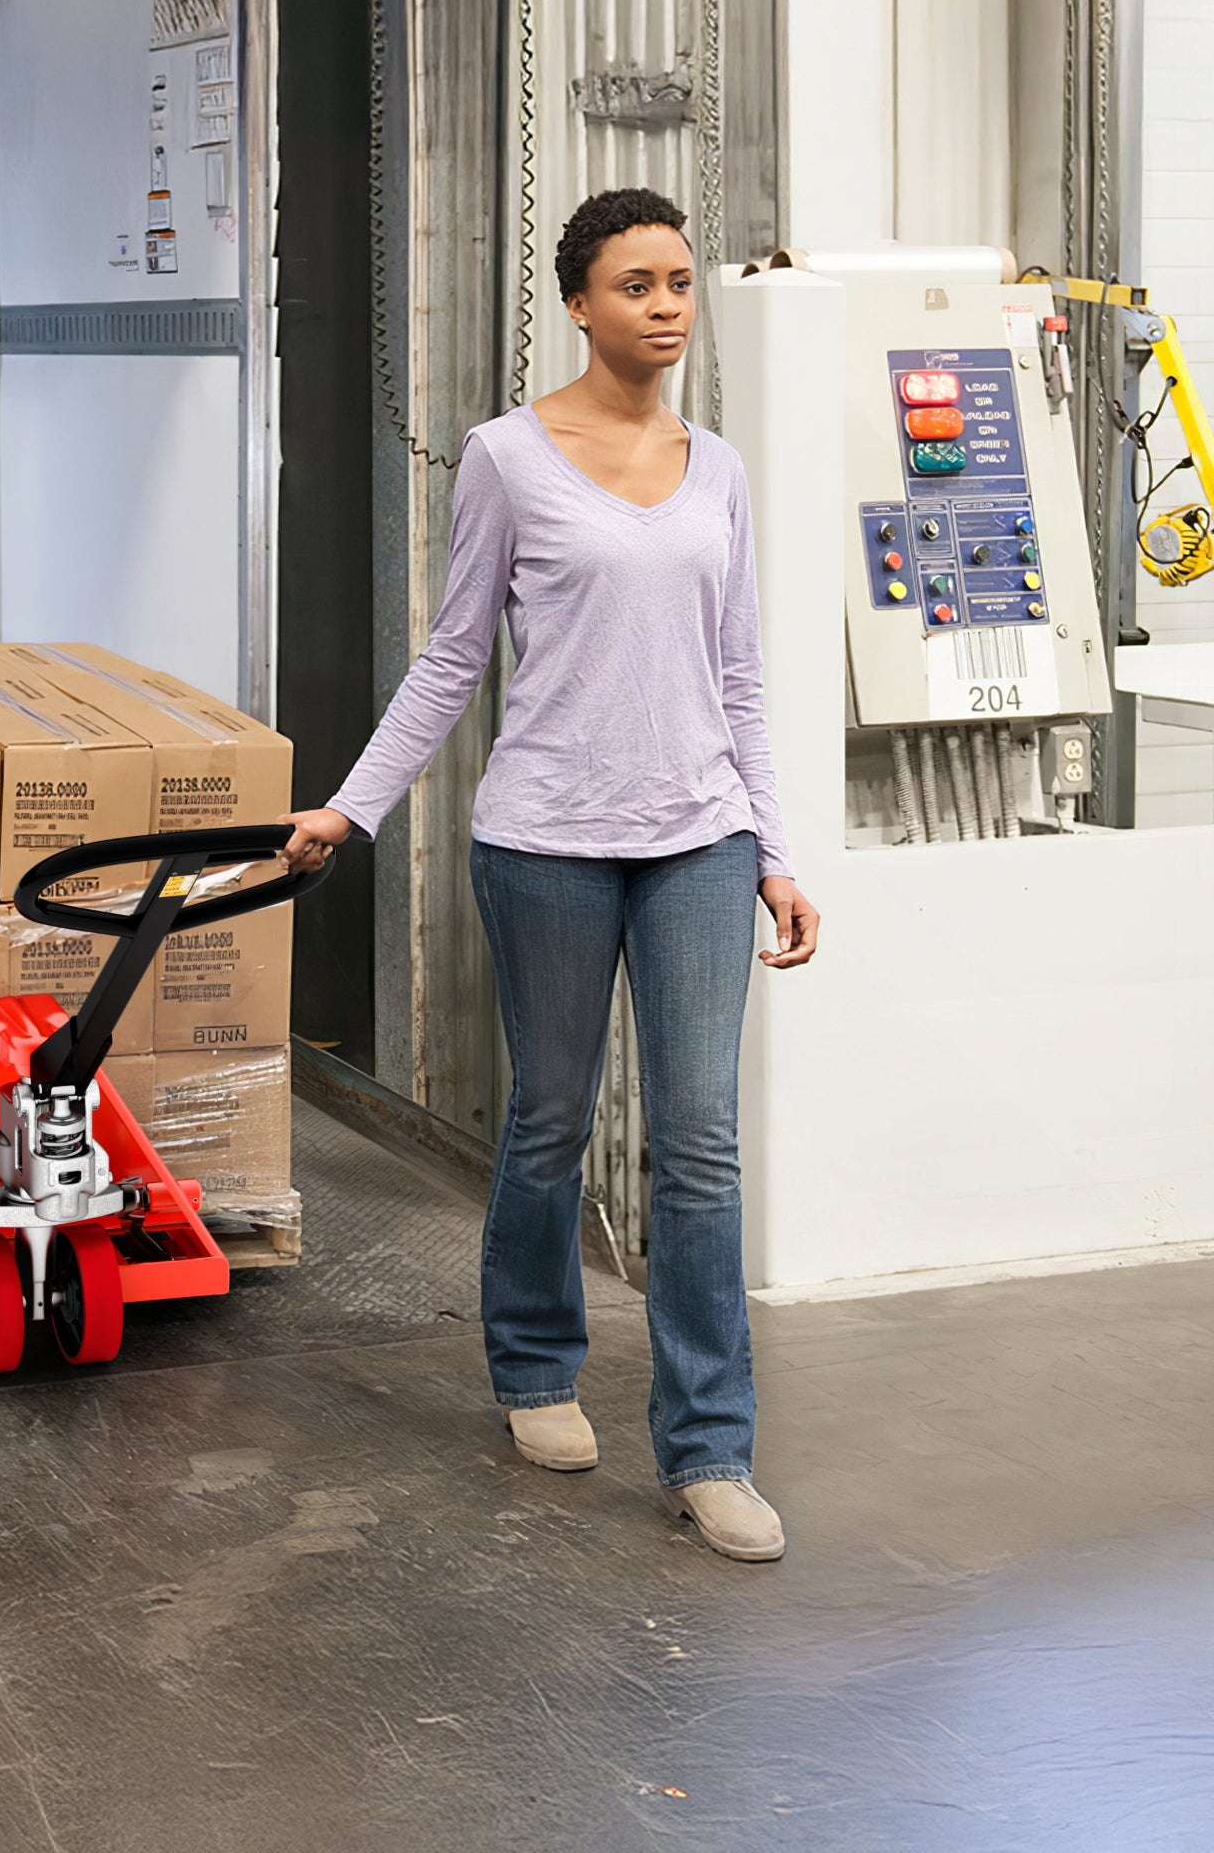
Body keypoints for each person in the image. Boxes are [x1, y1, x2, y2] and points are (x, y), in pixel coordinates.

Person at [280, 186, 819, 1563]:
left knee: (698, 1140)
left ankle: (709, 1449)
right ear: (580, 303)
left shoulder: (724, 470)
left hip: (700, 838)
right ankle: (532, 1367)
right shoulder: (508, 459)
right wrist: (354, 807)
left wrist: (776, 852)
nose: (666, 306)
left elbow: (741, 676)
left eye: (682, 284)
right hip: (546, 843)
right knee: (550, 1120)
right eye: (638, 284)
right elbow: (457, 654)